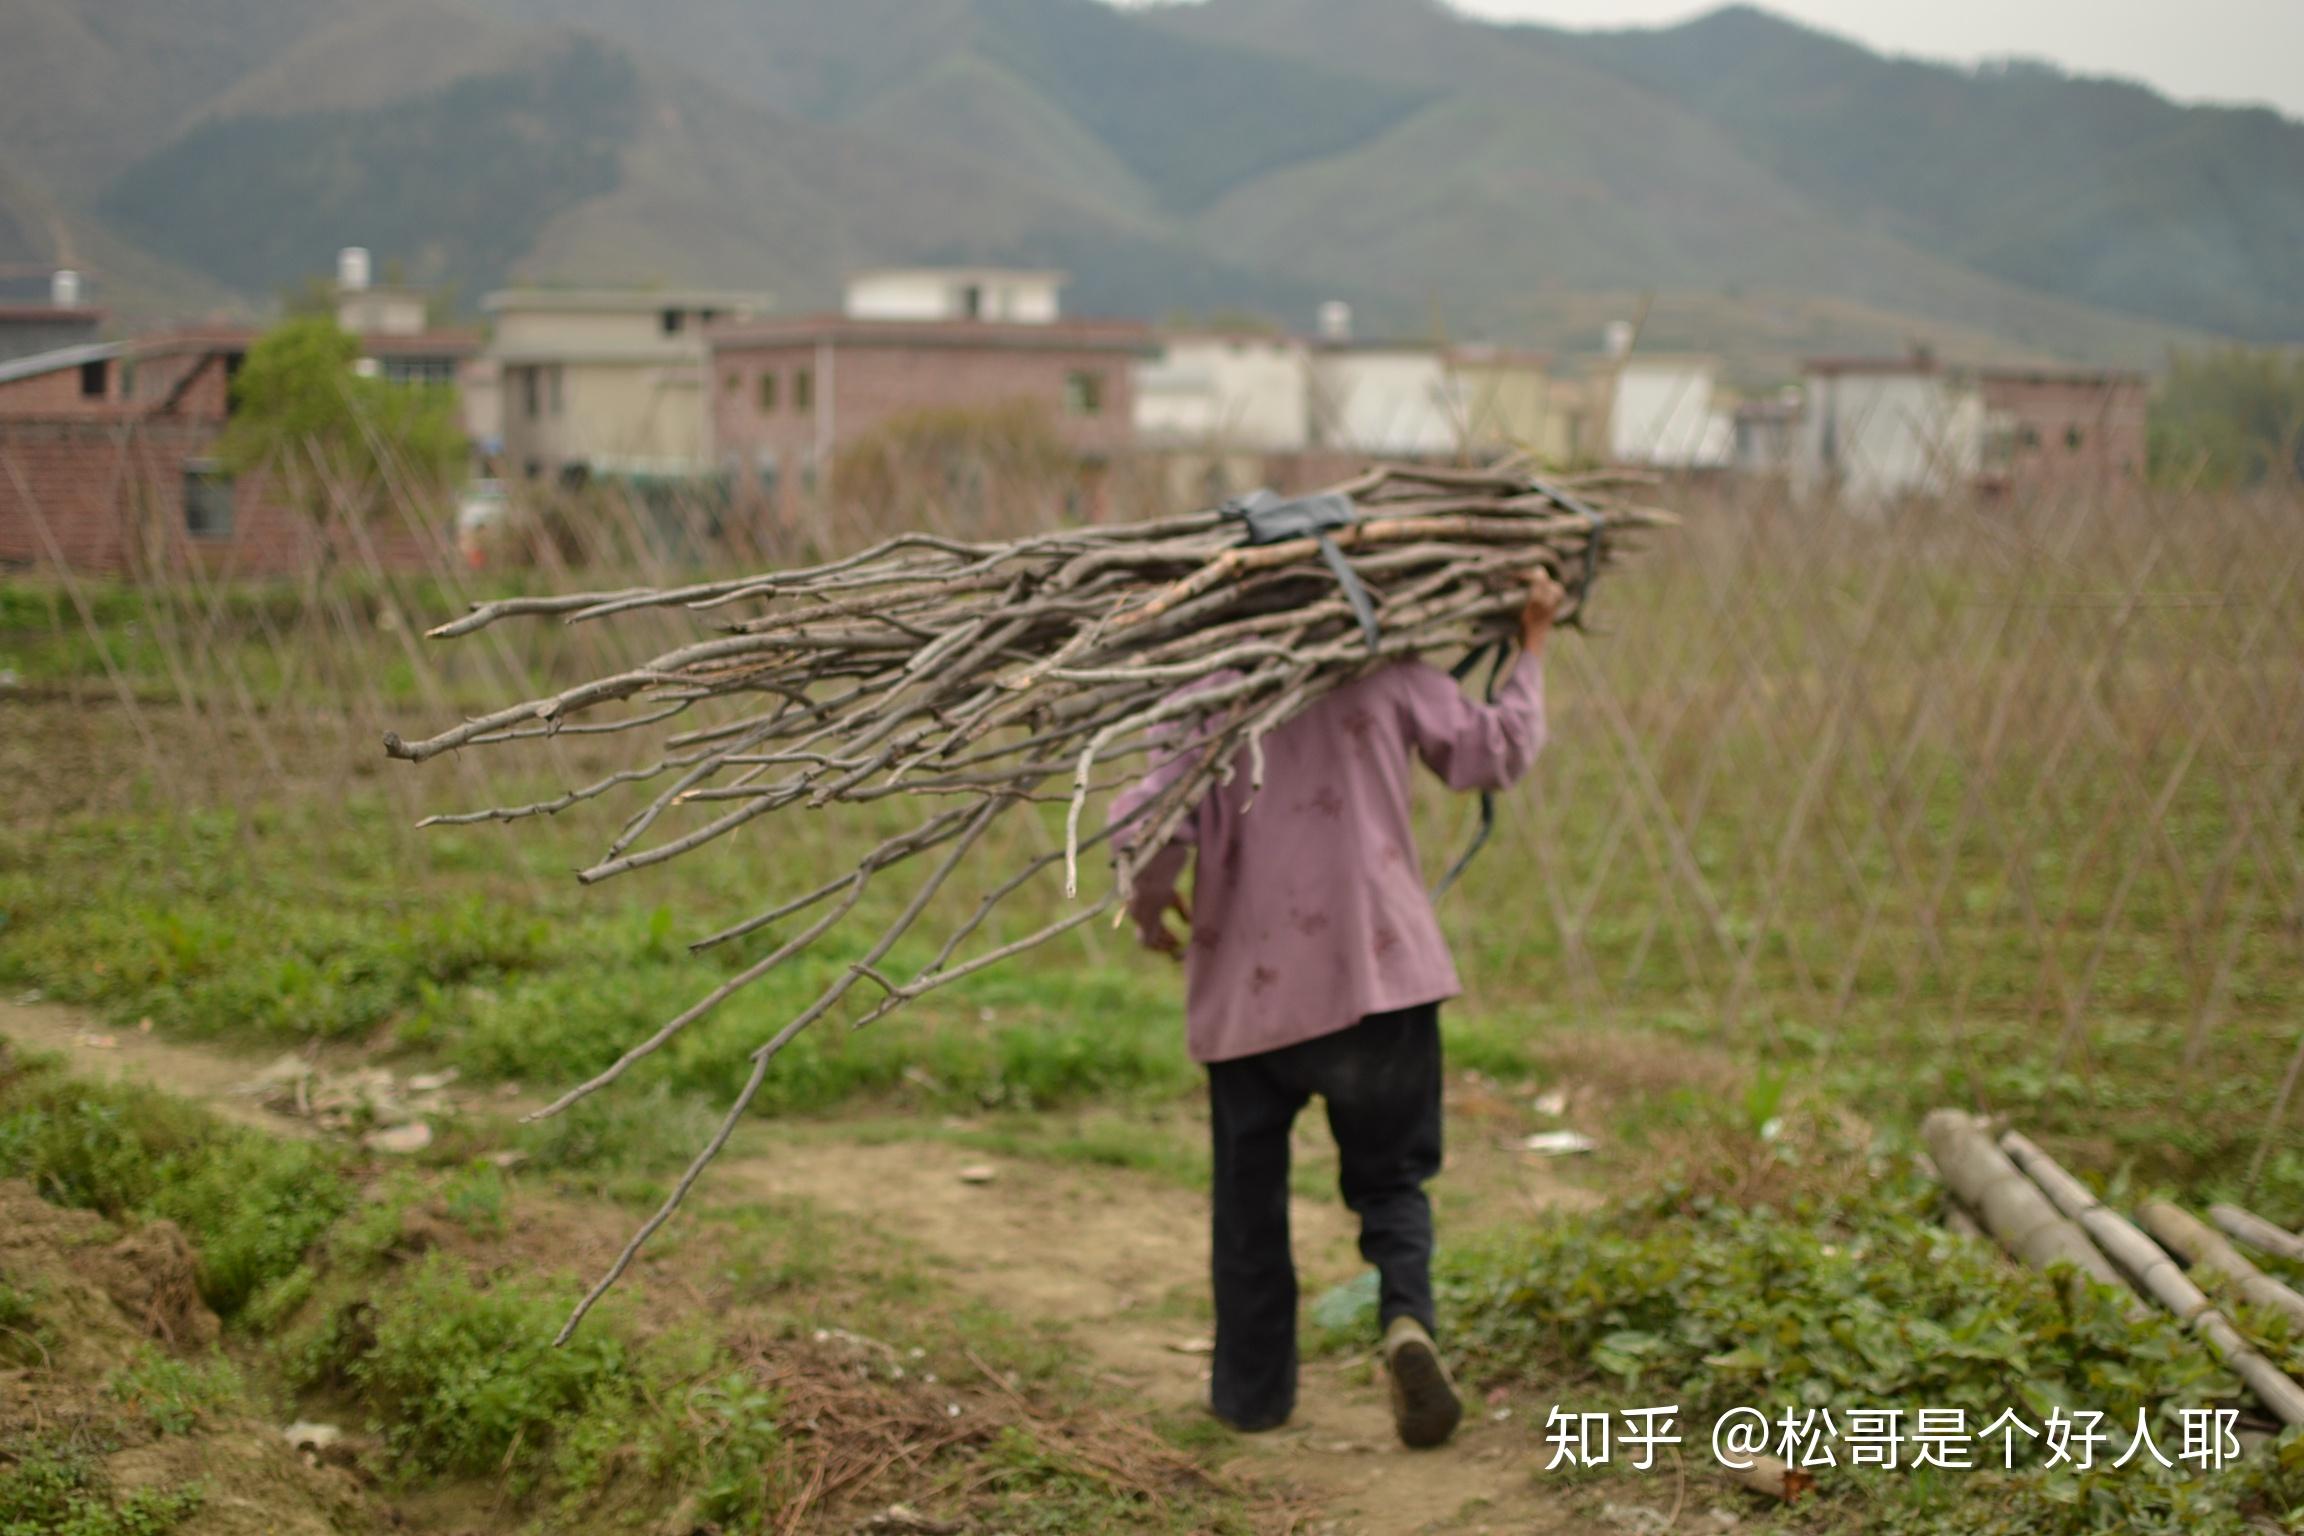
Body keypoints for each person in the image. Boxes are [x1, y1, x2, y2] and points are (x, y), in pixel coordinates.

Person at [1110, 569, 1564, 1448]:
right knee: (1392, 1180)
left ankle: (1252, 1397)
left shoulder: (1212, 692)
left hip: (1251, 999)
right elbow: (1494, 750)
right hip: (1380, 980)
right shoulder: (1381, 667)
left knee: (1248, 1199)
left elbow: (1148, 823)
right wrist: (1532, 643)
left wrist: (1151, 912)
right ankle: (1406, 1320)